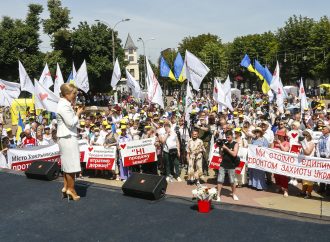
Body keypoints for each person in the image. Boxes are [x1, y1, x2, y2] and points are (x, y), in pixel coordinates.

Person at [56, 83, 84, 201]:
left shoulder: (65, 104)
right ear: (67, 94)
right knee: (71, 165)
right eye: (74, 94)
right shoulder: (63, 106)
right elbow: (71, 123)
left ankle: (66, 187)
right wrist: (78, 113)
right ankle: (71, 189)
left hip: (66, 136)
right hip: (67, 137)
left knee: (67, 164)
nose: (75, 96)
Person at [216, 130, 239, 202]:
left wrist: (226, 148)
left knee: (232, 181)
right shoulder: (225, 143)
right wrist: (220, 147)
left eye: (228, 137)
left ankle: (234, 194)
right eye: (226, 137)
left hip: (231, 165)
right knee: (220, 180)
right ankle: (218, 195)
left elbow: (234, 154)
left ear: (232, 136)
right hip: (223, 164)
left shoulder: (235, 144)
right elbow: (221, 155)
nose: (227, 139)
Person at [271, 130, 290, 197]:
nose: (278, 136)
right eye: (278, 135)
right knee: (276, 176)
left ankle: (285, 190)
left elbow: (285, 150)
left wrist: (280, 144)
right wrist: (273, 143)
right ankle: (279, 187)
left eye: (280, 135)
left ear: (283, 136)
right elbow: (270, 149)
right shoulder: (275, 142)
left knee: (283, 177)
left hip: (283, 163)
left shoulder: (286, 143)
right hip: (276, 162)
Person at [300, 129, 316, 199]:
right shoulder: (304, 142)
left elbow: (307, 152)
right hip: (304, 163)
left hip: (309, 163)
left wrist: (303, 144)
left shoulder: (311, 143)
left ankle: (309, 193)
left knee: (309, 180)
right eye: (303, 135)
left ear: (309, 136)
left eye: (306, 135)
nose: (304, 136)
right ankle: (303, 192)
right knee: (304, 179)